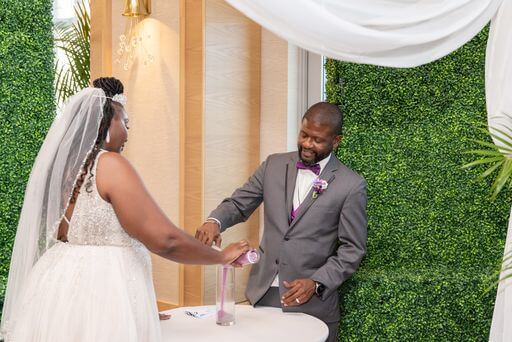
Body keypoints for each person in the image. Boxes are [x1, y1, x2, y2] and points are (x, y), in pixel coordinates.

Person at [0, 77, 249, 342]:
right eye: (125, 122)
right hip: (104, 300)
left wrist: (135, 306)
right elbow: (165, 240)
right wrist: (220, 256)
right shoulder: (110, 165)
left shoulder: (62, 172)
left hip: (55, 294)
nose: (128, 132)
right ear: (106, 123)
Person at [196, 102, 368, 342]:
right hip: (262, 296)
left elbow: (353, 249)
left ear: (336, 141)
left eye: (317, 140)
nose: (307, 144)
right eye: (304, 134)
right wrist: (214, 221)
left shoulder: (351, 185)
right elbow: (238, 203)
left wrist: (316, 282)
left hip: (312, 305)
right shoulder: (273, 165)